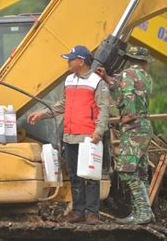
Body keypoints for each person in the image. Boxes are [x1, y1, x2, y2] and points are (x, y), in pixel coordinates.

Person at [27, 45, 110, 224]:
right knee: (74, 175)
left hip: (89, 137)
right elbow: (63, 104)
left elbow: (104, 109)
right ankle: (79, 212)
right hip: (70, 135)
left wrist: (98, 131)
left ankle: (92, 213)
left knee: (91, 176)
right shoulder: (69, 80)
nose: (68, 62)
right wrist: (43, 113)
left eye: (71, 59)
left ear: (81, 61)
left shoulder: (97, 82)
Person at [96, 45, 155, 225]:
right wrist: (106, 77)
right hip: (144, 126)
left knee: (125, 169)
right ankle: (143, 213)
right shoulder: (146, 77)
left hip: (133, 128)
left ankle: (144, 212)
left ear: (130, 59)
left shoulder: (128, 73)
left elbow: (128, 93)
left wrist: (127, 116)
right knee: (140, 171)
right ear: (144, 62)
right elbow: (121, 86)